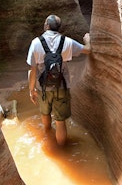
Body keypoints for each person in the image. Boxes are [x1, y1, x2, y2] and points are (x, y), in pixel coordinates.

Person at [26, 14, 91, 146]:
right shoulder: (67, 41)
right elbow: (88, 50)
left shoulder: (35, 43)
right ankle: (62, 149)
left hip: (42, 87)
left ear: (46, 26)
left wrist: (31, 90)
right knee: (60, 122)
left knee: (45, 114)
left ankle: (48, 135)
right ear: (58, 28)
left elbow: (32, 71)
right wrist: (87, 39)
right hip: (62, 86)